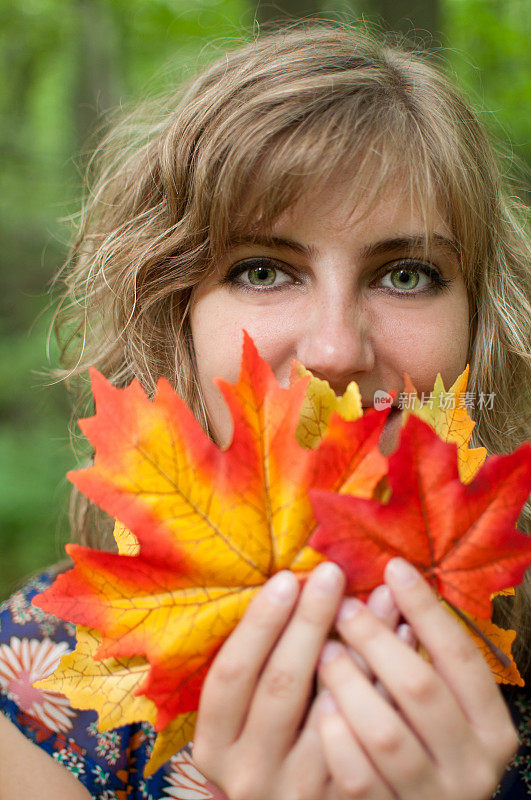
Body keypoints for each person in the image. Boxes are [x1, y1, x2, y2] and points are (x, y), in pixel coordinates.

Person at [0, 22, 529, 800]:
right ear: (173, 314)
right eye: (261, 270)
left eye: (407, 275)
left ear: (482, 324)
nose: (333, 349)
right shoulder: (45, 678)